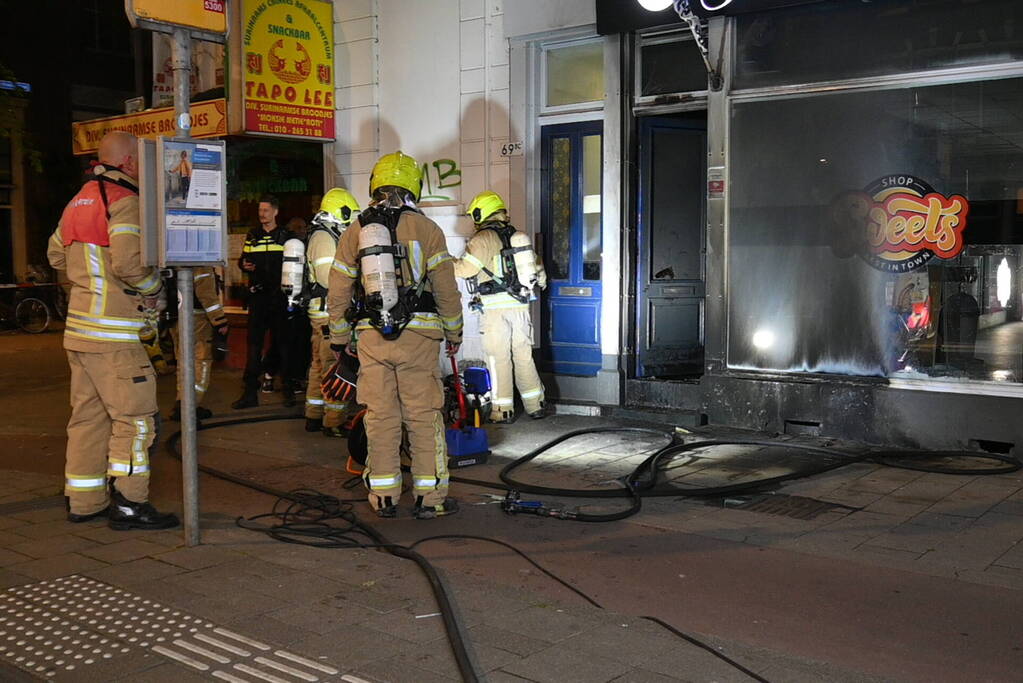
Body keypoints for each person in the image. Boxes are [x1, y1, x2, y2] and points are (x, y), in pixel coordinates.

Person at [46, 130, 179, 530]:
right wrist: (155, 290)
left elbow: (55, 254)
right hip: (117, 335)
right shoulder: (126, 202)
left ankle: (85, 501)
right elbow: (129, 264)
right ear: (130, 163)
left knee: (88, 418)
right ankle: (130, 505)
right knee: (136, 421)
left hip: (80, 331)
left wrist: (88, 277)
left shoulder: (77, 202)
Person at [327, 151, 464, 519]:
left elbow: (339, 287)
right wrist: (454, 331)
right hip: (419, 338)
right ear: (413, 186)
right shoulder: (428, 229)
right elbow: (446, 288)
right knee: (423, 416)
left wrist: (339, 337)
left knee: (380, 415)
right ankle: (429, 499)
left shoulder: (356, 229)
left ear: (375, 184)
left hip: (371, 339)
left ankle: (383, 497)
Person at [454, 190, 547, 422]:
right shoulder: (518, 235)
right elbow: (538, 269)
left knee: (499, 359)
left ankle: (502, 410)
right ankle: (535, 405)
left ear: (480, 213)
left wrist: (447, 262)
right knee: (524, 355)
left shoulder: (482, 239)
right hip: (520, 306)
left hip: (495, 310)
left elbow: (466, 270)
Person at [233, 195, 301, 409]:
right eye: (260, 210)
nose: (261, 214)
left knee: (284, 345)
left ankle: (288, 390)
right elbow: (244, 260)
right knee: (254, 346)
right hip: (259, 299)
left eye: (265, 210)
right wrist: (244, 265)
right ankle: (249, 393)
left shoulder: (286, 237)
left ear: (275, 212)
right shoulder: (253, 235)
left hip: (280, 298)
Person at [304, 188, 360, 437]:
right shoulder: (325, 238)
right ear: (342, 211)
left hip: (321, 311)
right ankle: (334, 420)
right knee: (333, 366)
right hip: (328, 311)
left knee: (318, 364)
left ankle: (314, 415)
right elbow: (329, 279)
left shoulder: (323, 235)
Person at [168, 266, 228, 421]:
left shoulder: (174, 261)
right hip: (198, 321)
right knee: (200, 363)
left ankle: (182, 404)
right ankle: (190, 408)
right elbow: (207, 296)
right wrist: (220, 321)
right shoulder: (202, 265)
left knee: (183, 363)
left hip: (177, 319)